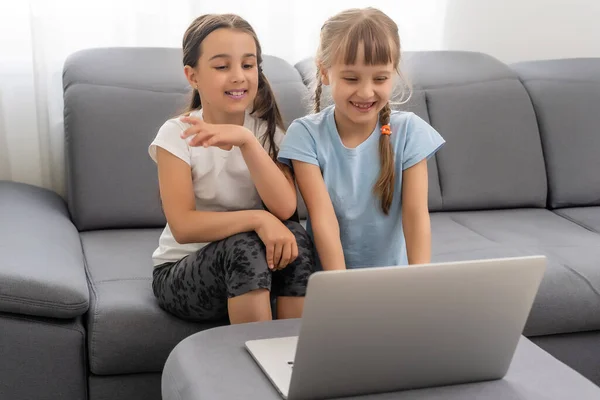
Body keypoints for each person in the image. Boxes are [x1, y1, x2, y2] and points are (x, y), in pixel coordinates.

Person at [149, 14, 315, 324]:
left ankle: (292, 354)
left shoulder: (267, 133)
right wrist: (257, 218)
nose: (238, 76)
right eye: (222, 66)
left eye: (248, 65)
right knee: (244, 246)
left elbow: (285, 207)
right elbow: (184, 227)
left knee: (296, 236)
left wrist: (247, 142)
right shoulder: (177, 134)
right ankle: (256, 359)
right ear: (193, 76)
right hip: (182, 273)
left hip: (253, 265)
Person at [278, 7, 445, 270]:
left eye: (380, 78)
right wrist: (342, 289)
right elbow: (324, 220)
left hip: (395, 283)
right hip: (331, 281)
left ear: (394, 72)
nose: (366, 92)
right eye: (351, 78)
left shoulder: (410, 132)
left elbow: (415, 216)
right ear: (324, 72)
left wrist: (419, 283)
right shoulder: (306, 135)